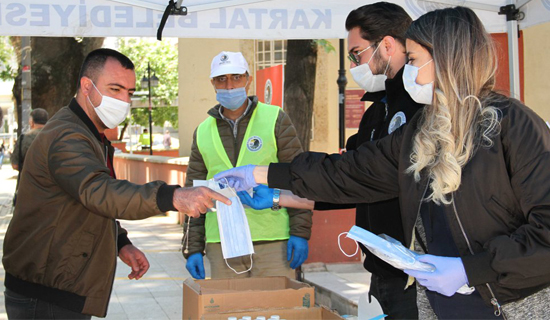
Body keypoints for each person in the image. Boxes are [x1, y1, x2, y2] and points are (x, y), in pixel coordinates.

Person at [216, 6, 550, 319]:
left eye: (416, 59)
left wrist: (470, 269)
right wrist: (262, 174)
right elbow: (352, 171)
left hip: (509, 304)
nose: (410, 71)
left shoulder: (514, 125)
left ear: (446, 60)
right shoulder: (423, 130)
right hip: (442, 304)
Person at [2, 48, 230, 319]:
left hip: (58, 285)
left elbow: (84, 202)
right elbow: (98, 191)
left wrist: (120, 242)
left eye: (130, 93)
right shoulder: (67, 136)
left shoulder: (88, 133)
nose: (124, 100)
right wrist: (173, 196)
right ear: (87, 86)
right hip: (46, 292)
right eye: (115, 89)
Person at [183, 51, 312, 280]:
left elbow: (297, 177)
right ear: (213, 83)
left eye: (236, 77)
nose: (229, 85)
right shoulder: (202, 131)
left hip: (272, 240)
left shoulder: (275, 119)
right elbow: (193, 192)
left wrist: (300, 232)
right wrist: (192, 248)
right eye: (221, 79)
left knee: (277, 312)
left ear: (248, 79)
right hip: (222, 242)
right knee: (231, 313)